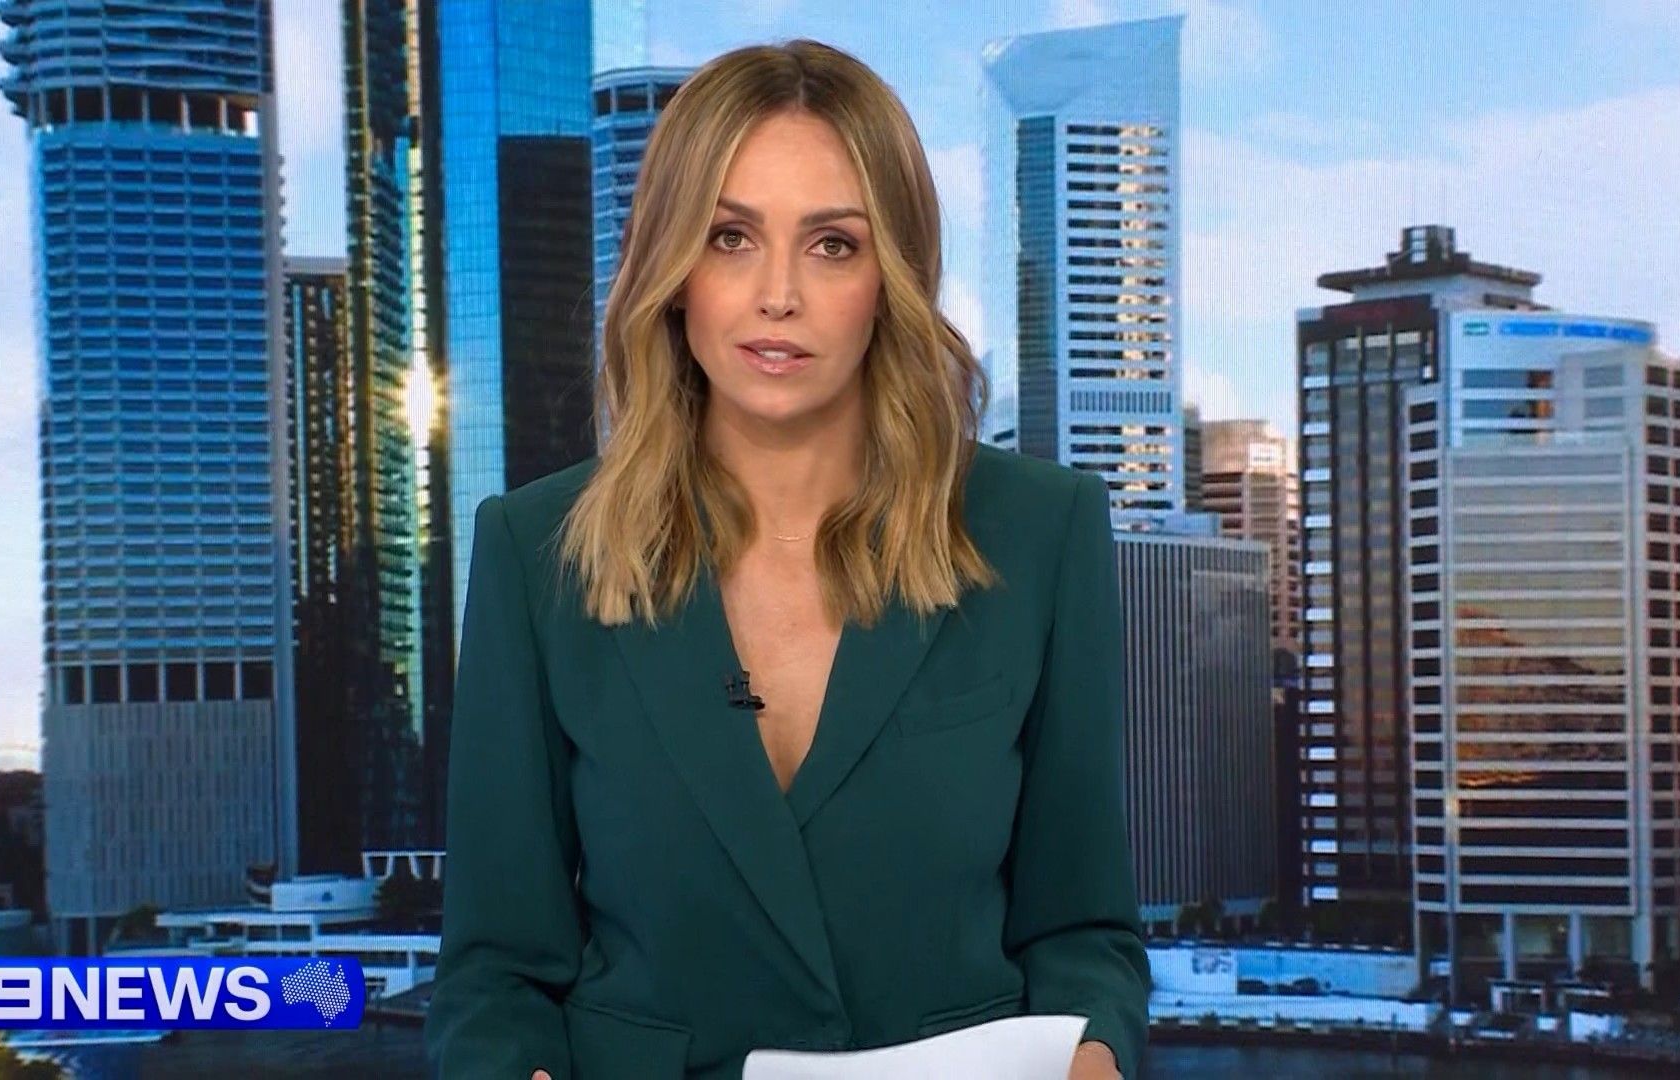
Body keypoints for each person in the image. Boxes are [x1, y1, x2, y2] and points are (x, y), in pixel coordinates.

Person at [425, 38, 1150, 1080]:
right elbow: (496, 973)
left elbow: (1081, 933)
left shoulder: (1043, 532)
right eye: (730, 237)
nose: (778, 295)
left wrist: (1094, 1055)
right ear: (672, 267)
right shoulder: (536, 553)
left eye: (832, 245)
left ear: (893, 276)